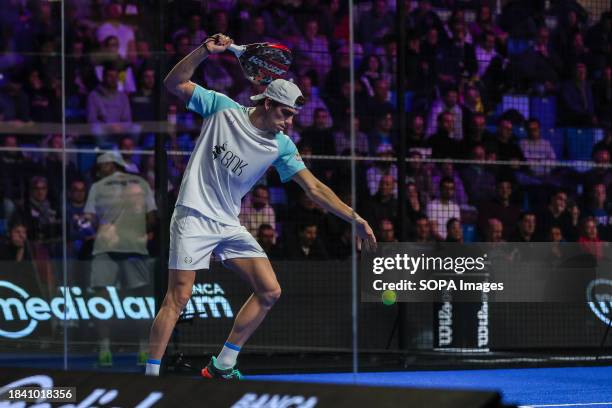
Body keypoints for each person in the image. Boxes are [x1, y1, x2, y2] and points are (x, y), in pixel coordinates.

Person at [146, 34, 376, 379]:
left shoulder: (281, 146)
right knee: (177, 299)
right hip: (192, 216)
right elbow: (174, 82)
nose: (290, 122)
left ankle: (222, 365)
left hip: (228, 223)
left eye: (294, 115)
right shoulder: (221, 108)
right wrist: (204, 52)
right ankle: (150, 379)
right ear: (267, 103)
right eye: (285, 113)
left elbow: (313, 187)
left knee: (270, 290)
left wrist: (355, 218)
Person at [85, 151, 157, 367]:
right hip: (127, 248)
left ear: (111, 164)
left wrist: (96, 228)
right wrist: (142, 232)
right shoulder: (141, 183)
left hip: (113, 248)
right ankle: (142, 349)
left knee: (104, 300)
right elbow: (152, 217)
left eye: (102, 165)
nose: (100, 169)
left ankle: (108, 348)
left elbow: (88, 218)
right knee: (139, 301)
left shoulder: (98, 187)